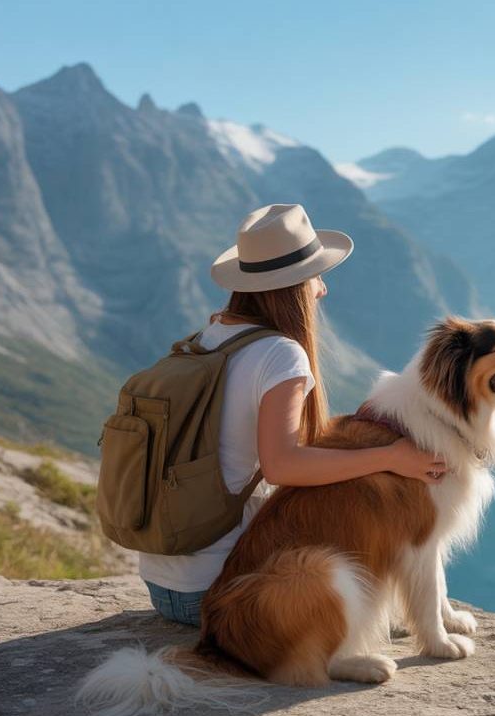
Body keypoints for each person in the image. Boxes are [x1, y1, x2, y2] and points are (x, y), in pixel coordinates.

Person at [139, 203, 446, 626]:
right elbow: (283, 465)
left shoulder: (210, 337)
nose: (322, 289)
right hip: (227, 590)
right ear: (296, 287)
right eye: (317, 276)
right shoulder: (280, 354)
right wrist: (392, 457)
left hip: (164, 586)